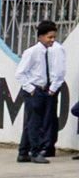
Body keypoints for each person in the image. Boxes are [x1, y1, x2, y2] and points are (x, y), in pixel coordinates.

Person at [16, 20, 66, 163]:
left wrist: (51, 89)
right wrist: (31, 89)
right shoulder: (32, 52)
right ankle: (35, 152)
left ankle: (23, 152)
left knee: (31, 122)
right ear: (40, 37)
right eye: (49, 37)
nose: (52, 40)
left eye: (54, 37)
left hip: (44, 90)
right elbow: (20, 73)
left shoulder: (50, 51)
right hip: (34, 90)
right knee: (35, 123)